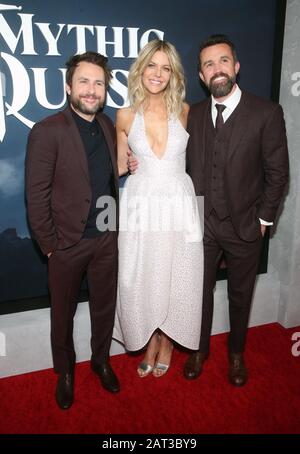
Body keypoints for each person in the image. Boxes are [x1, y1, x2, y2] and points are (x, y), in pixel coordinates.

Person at [183, 34, 289, 386]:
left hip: (246, 226)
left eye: (223, 61)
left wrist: (264, 219)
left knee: (241, 296)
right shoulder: (193, 115)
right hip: (202, 226)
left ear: (236, 66)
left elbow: (278, 173)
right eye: (209, 64)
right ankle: (199, 349)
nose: (217, 69)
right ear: (201, 75)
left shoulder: (266, 112)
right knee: (199, 293)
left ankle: (236, 353)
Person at [26, 51, 120, 410]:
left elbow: (105, 177)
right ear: (69, 87)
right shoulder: (48, 131)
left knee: (104, 308)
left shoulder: (109, 126)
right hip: (66, 243)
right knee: (62, 314)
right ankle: (65, 373)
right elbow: (36, 195)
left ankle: (101, 360)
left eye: (98, 82)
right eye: (84, 81)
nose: (91, 89)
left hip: (107, 237)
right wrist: (50, 245)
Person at [113, 39, 203, 377]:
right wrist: (128, 163)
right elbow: (119, 167)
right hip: (141, 205)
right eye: (152, 65)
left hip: (179, 202)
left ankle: (166, 342)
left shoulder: (185, 111)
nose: (158, 73)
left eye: (166, 68)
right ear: (141, 69)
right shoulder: (124, 115)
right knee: (145, 275)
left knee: (177, 275)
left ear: (174, 74)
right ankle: (149, 338)